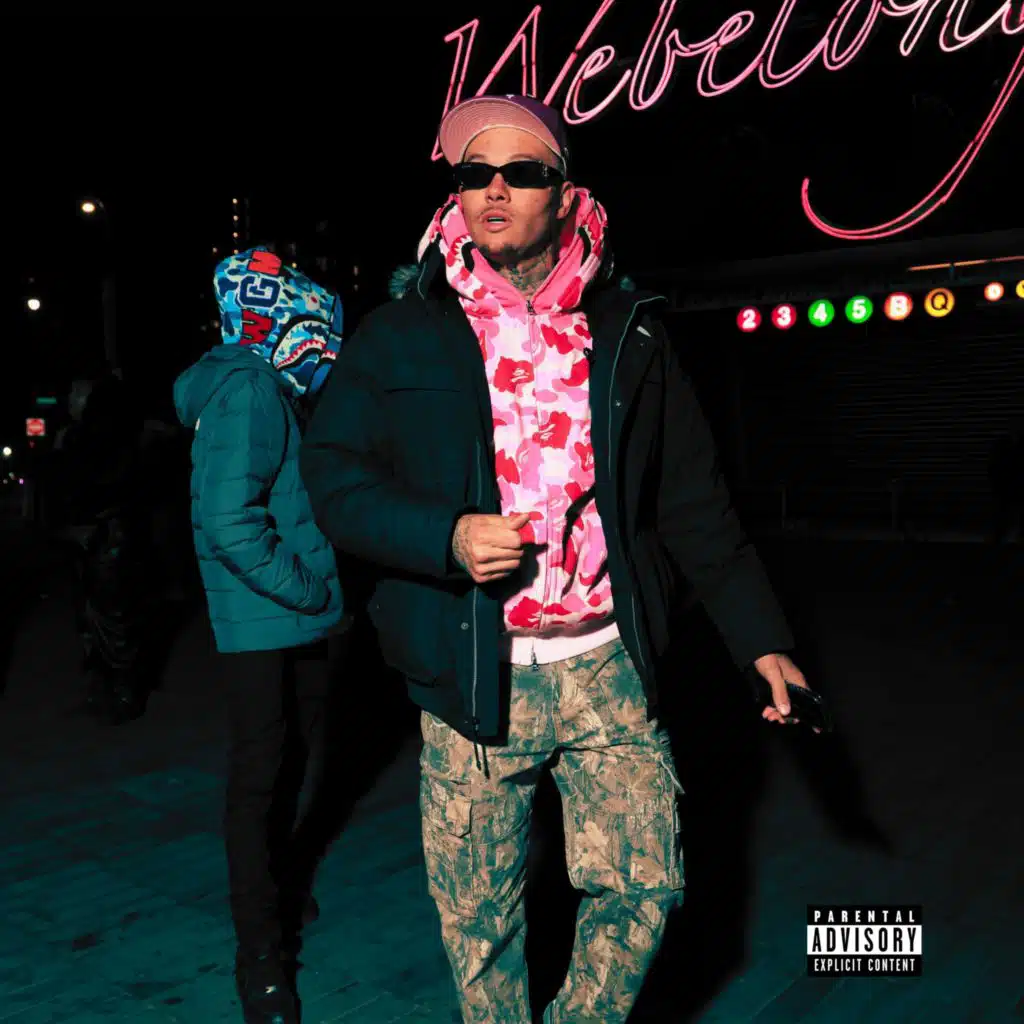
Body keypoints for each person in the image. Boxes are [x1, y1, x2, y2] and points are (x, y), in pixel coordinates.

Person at [300, 95, 812, 1024]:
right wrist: (445, 535)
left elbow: (693, 504)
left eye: (523, 172)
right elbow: (333, 479)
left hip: (607, 663)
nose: (494, 190)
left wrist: (761, 638)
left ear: (567, 195)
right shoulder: (401, 332)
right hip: (472, 668)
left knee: (644, 886)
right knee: (479, 920)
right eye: (474, 173)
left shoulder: (632, 334)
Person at [174, 247, 346, 1024]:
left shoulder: (258, 381)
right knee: (258, 782)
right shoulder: (248, 387)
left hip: (286, 619)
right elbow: (226, 521)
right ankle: (261, 958)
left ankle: (277, 894)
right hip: (266, 620)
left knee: (287, 767)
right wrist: (309, 588)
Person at [47, 372, 154, 724]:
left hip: (107, 538)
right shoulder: (86, 437)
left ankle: (122, 693)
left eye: (76, 393)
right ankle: (107, 687)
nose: (70, 400)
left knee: (113, 618)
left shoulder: (102, 439)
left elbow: (99, 485)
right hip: (96, 538)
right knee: (95, 616)